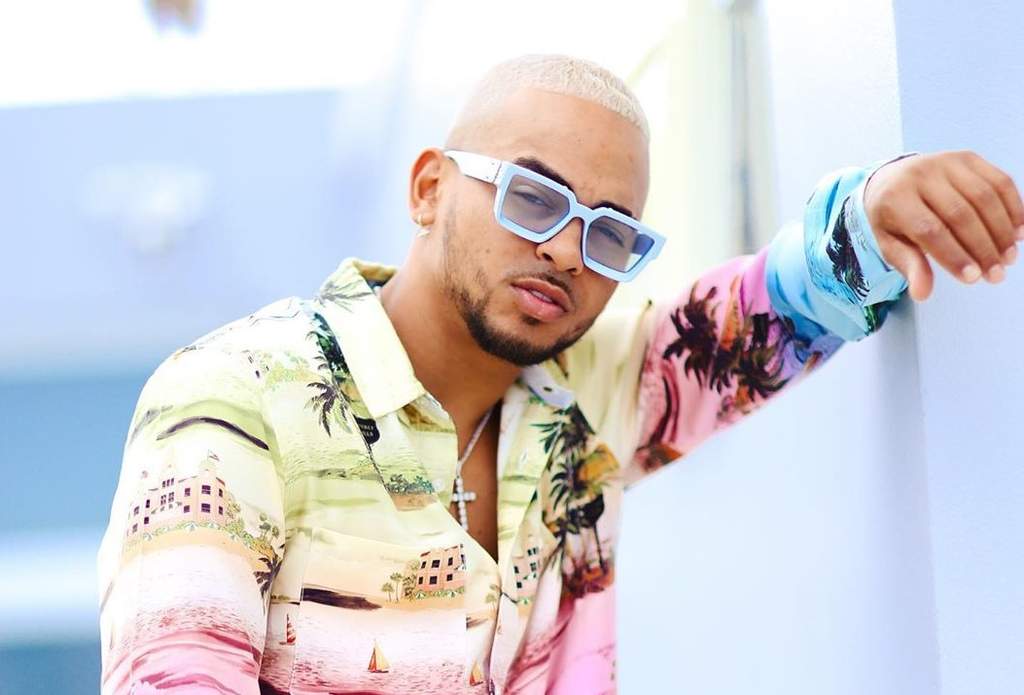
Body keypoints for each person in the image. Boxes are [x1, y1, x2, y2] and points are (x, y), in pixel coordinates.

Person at [96, 54, 1022, 695]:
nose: (569, 251)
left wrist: (875, 211)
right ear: (428, 188)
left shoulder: (583, 396)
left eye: (611, 232)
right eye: (532, 197)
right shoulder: (235, 400)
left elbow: (759, 317)